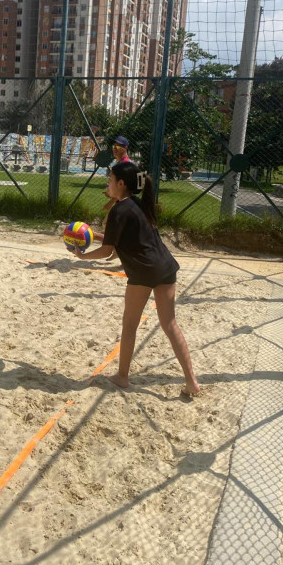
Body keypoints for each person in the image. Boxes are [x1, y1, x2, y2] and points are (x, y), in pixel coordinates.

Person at [74, 161, 200, 396]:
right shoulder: (137, 205)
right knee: (170, 325)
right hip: (165, 266)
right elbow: (116, 240)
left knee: (129, 324)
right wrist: (91, 234)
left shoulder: (117, 210)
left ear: (121, 184)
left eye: (110, 179)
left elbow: (108, 250)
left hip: (143, 272)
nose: (108, 183)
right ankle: (191, 381)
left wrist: (83, 257)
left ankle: (122, 377)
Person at [93, 135, 133, 244]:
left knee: (108, 225)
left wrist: (110, 203)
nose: (115, 149)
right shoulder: (120, 163)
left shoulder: (125, 164)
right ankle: (117, 249)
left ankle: (115, 248)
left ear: (125, 148)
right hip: (122, 201)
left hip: (122, 201)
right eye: (114, 146)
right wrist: (110, 192)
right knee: (113, 226)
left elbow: (123, 190)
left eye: (119, 147)